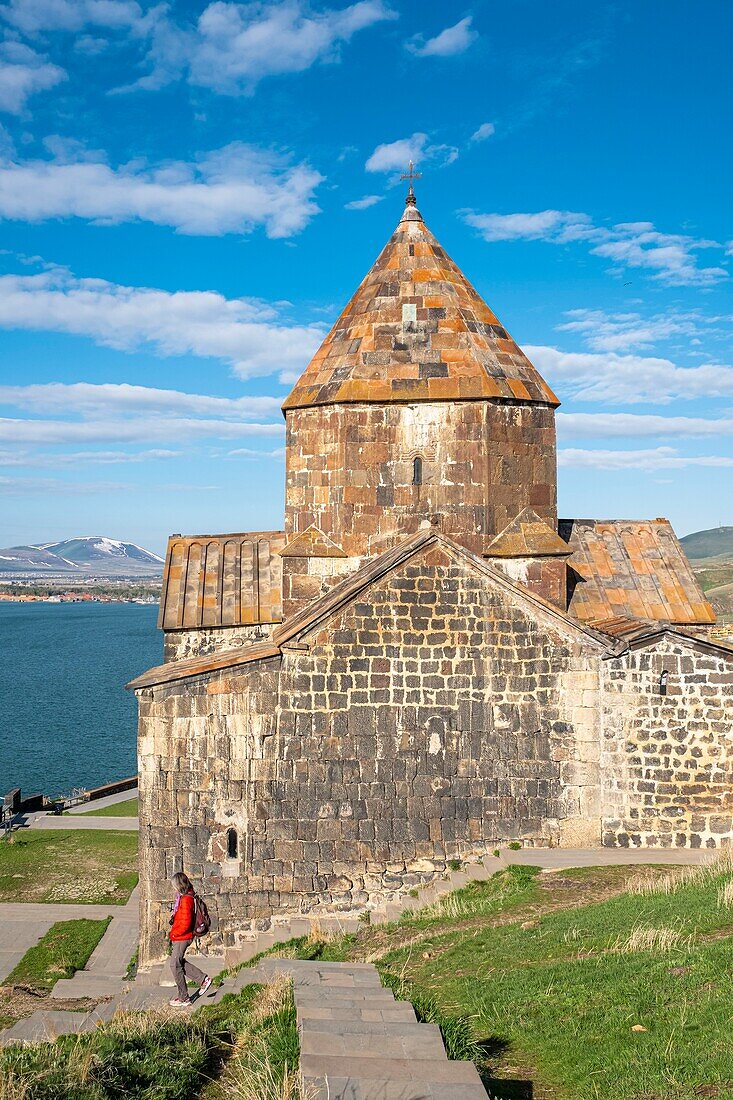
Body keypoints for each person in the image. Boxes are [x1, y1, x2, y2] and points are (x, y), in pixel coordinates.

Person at [168, 871, 211, 1007]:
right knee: (179, 963)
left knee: (174, 965)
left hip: (182, 936)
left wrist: (174, 934)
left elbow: (186, 923)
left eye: (174, 885)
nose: (173, 887)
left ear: (178, 885)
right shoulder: (184, 897)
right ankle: (203, 979)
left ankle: (184, 997)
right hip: (182, 936)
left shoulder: (186, 900)